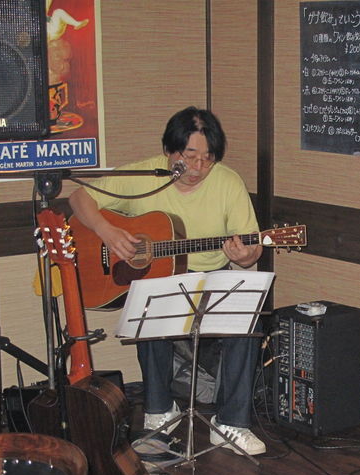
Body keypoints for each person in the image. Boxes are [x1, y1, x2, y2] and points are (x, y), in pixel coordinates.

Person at [68, 106, 266, 456]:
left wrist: (244, 256)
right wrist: (108, 232)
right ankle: (159, 412)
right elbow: (78, 198)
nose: (198, 167)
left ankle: (231, 424)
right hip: (163, 281)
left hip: (212, 279)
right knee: (149, 309)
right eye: (189, 156)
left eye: (208, 158)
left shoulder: (228, 182)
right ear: (169, 151)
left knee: (248, 320)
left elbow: (251, 250)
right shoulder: (145, 176)